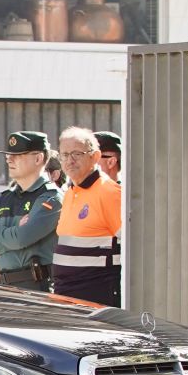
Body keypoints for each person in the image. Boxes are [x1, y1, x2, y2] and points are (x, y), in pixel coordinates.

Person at [0, 130, 63, 292]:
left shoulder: (50, 197)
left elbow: (21, 239)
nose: (9, 159)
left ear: (38, 158)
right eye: (8, 155)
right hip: (4, 285)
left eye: (18, 155)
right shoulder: (6, 198)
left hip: (36, 285)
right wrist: (15, 232)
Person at [51, 126, 123, 306]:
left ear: (95, 156)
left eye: (77, 154)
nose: (70, 160)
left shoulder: (109, 192)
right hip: (66, 296)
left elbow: (134, 249)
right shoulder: (70, 192)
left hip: (96, 299)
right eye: (65, 155)